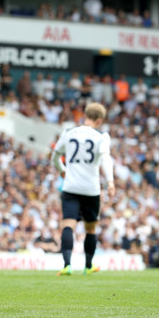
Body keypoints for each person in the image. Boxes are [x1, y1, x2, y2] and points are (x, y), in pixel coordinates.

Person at [51, 102, 115, 276]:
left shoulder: (69, 133)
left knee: (68, 224)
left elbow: (55, 156)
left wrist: (63, 172)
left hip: (71, 186)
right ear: (99, 120)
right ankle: (88, 266)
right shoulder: (101, 136)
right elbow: (105, 159)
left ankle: (67, 265)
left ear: (85, 115)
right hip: (91, 188)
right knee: (91, 228)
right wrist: (110, 182)